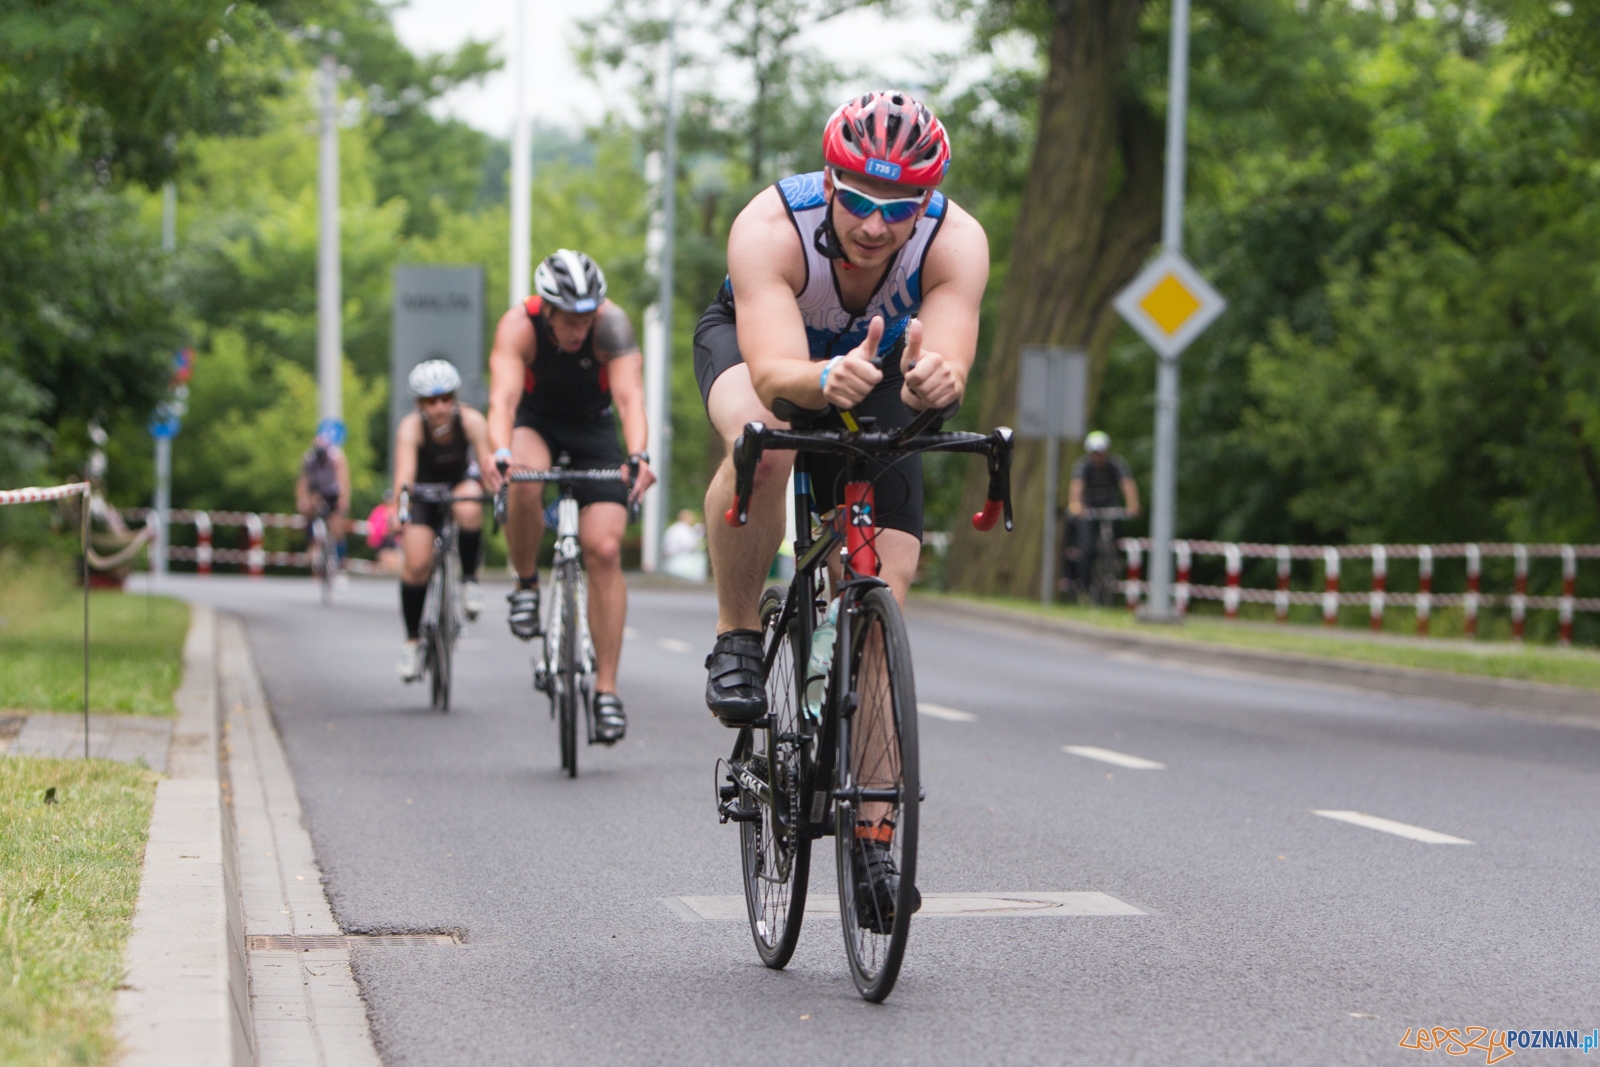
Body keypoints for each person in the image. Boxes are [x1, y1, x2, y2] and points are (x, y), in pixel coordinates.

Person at [693, 91, 988, 923]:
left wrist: (941, 377)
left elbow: (953, 343)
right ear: (829, 179)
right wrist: (818, 381)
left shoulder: (956, 241)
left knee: (886, 583)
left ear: (927, 201)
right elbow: (777, 364)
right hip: (770, 352)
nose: (873, 223)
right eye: (856, 198)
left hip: (881, 363)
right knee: (766, 440)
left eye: (899, 208)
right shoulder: (769, 227)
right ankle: (737, 634)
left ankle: (874, 843)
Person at [486, 249, 655, 743]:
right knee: (525, 475)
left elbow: (629, 398)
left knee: (603, 549)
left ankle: (606, 692)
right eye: (569, 317)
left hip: (592, 429)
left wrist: (639, 454)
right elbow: (503, 399)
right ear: (547, 309)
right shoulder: (519, 325)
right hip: (535, 424)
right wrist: (499, 450)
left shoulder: (612, 326)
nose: (579, 327)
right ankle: (524, 584)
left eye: (587, 316)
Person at [392, 359, 499, 681]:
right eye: (430, 400)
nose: (439, 407)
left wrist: (503, 497)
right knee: (418, 563)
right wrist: (401, 509)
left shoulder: (471, 421)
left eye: (446, 398)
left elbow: (487, 467)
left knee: (469, 507)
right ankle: (412, 641)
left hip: (459, 483)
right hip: (424, 490)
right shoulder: (411, 428)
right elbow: (405, 476)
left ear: (455, 397)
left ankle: (469, 582)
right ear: (419, 403)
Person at [1065, 430, 1141, 597]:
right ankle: (1084, 586)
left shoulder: (1116, 464)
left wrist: (1132, 504)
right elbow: (1076, 488)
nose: (1097, 456)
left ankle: (1115, 559)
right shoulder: (1083, 466)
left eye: (1100, 452)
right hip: (1088, 508)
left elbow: (1127, 484)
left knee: (1116, 531)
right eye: (1094, 453)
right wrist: (1076, 505)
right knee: (1087, 546)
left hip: (1109, 506)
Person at [295, 420, 351, 567]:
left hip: (333, 492)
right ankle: (312, 541)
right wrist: (302, 500)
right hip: (317, 492)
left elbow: (343, 479)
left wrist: (343, 499)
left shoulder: (336, 457)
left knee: (337, 525)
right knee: (308, 510)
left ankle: (339, 564)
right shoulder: (309, 458)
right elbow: (303, 481)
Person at [660, 508, 707, 583]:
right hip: (682, 563)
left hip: (671, 562)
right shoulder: (684, 529)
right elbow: (690, 546)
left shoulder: (672, 528)